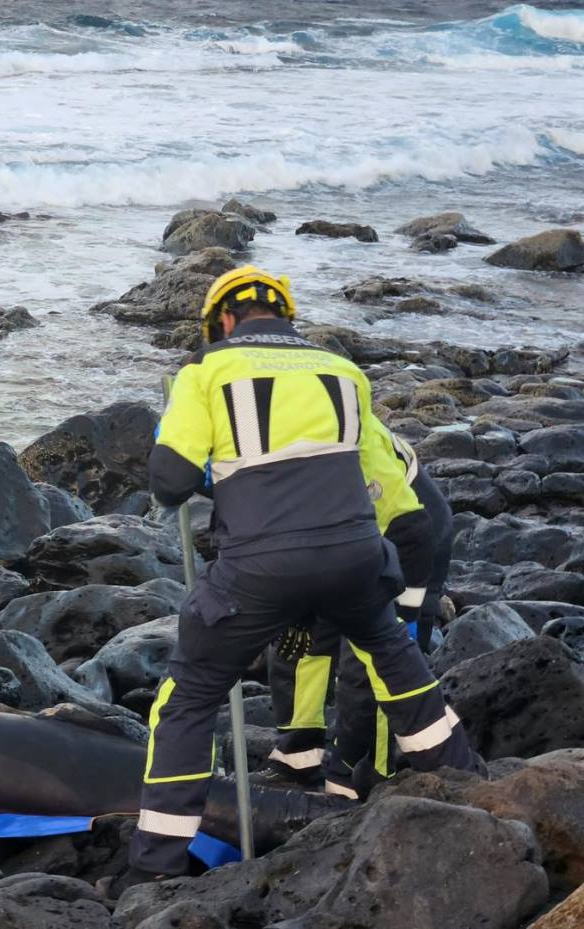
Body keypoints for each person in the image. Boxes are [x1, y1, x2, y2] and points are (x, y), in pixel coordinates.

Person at [118, 266, 485, 892]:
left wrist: (184, 450)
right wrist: (405, 589)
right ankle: (475, 795)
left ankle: (154, 873)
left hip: (258, 570)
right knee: (395, 665)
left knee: (190, 697)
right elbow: (395, 497)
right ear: (286, 318)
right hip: (356, 561)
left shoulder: (204, 371)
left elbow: (170, 483)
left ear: (223, 323)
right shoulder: (343, 373)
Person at [262, 424, 456, 795]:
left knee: (371, 661)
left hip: (408, 538)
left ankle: (362, 772)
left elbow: (414, 533)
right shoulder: (257, 436)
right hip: (338, 533)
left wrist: (408, 618)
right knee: (300, 637)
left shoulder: (347, 437)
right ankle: (297, 758)